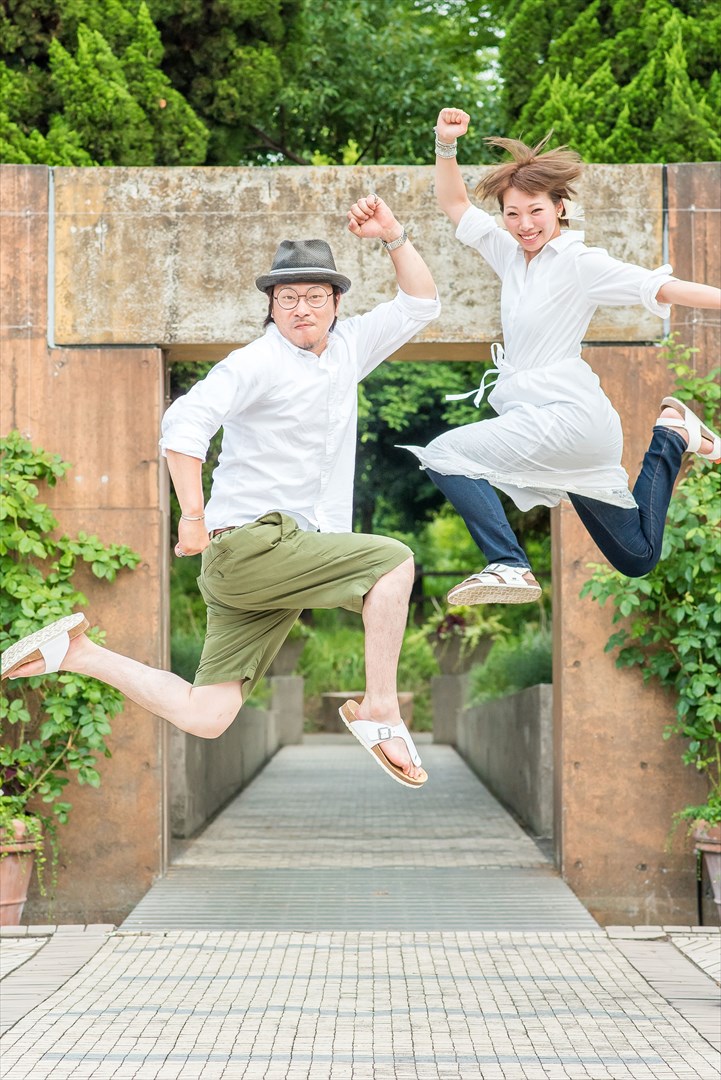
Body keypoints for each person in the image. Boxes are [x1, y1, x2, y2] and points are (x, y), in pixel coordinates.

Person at [2, 194, 441, 789]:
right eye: (287, 298)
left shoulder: (349, 348)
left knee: (206, 716)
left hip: (277, 565)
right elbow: (184, 424)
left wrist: (393, 234)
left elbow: (421, 303)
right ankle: (381, 709)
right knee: (394, 562)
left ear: (337, 303)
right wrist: (192, 516)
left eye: (315, 296)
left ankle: (77, 654)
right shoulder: (256, 362)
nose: (302, 308)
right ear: (272, 306)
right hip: (254, 545)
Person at [402, 108, 721, 607]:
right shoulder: (508, 253)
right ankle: (673, 434)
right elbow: (454, 201)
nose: (524, 225)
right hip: (549, 423)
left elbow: (662, 287)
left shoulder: (579, 262)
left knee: (444, 453)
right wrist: (446, 142)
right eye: (512, 214)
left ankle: (509, 564)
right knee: (637, 557)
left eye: (535, 211)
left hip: (567, 418)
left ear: (560, 208)